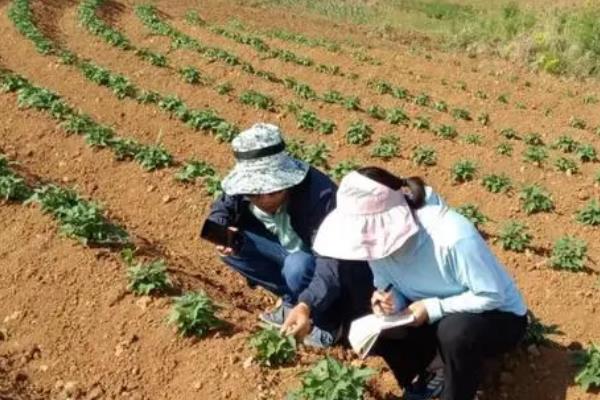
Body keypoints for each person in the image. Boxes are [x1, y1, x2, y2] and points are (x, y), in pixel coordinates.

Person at [300, 166, 528, 400]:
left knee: (455, 331)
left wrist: (432, 308)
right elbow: (386, 283)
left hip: (499, 317)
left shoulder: (451, 237)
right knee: (374, 324)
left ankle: (458, 391)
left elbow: (492, 295)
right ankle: (430, 372)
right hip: (431, 313)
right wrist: (387, 300)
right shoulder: (374, 244)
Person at [205, 123, 373, 347]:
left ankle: (329, 323)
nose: (264, 199)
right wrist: (222, 229)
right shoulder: (242, 188)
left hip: (334, 268)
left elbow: (333, 262)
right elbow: (222, 210)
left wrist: (309, 304)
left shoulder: (320, 196)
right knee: (235, 248)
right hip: (289, 248)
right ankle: (292, 300)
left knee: (297, 265)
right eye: (255, 193)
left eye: (273, 191)